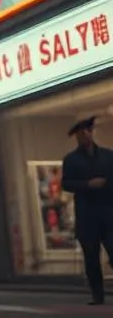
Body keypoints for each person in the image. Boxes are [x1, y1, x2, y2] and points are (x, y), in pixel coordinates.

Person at [62, 116, 113, 305]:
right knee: (91, 258)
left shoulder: (108, 156)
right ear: (77, 137)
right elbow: (66, 183)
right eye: (81, 133)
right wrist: (87, 184)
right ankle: (98, 295)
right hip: (86, 215)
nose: (85, 135)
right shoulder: (71, 159)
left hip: (108, 213)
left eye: (88, 131)